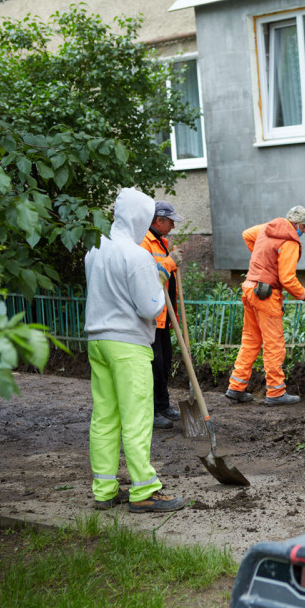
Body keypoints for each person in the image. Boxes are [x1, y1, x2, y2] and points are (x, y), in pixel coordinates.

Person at [84, 188, 186, 513]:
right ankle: (144, 490)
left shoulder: (95, 250)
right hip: (128, 344)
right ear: (140, 217)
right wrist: (157, 282)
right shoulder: (137, 254)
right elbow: (148, 307)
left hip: (97, 342)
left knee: (104, 417)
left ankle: (104, 489)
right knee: (137, 417)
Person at [225, 205, 305, 406]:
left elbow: (246, 235)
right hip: (266, 296)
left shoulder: (267, 228)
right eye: (303, 226)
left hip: (250, 287)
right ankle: (276, 392)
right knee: (274, 344)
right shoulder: (289, 242)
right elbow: (287, 279)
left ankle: (236, 387)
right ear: (295, 224)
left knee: (250, 340)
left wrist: (263, 260)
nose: (304, 231)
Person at [140, 201, 184, 430]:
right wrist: (170, 261)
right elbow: (151, 276)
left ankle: (163, 404)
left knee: (165, 360)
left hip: (164, 315)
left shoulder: (161, 242)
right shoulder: (144, 242)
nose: (173, 227)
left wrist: (172, 261)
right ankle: (153, 410)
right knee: (154, 364)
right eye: (171, 222)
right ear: (159, 220)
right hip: (152, 314)